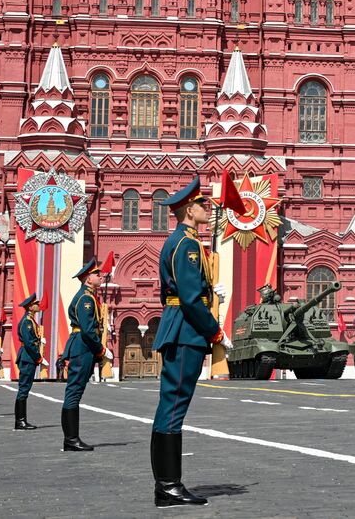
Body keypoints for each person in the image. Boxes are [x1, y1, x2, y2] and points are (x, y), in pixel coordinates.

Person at [150, 178, 232, 508]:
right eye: (203, 206)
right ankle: (168, 486)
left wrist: (209, 292)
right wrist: (214, 331)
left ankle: (167, 485)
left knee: (171, 407)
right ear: (188, 210)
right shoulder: (186, 245)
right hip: (186, 331)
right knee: (173, 408)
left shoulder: (183, 242)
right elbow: (187, 297)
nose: (208, 211)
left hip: (181, 327)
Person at [60, 258, 107, 451]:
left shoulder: (88, 296)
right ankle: (71, 440)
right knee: (74, 392)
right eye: (97, 274)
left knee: (75, 391)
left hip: (82, 345)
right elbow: (88, 330)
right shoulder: (86, 299)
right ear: (88, 278)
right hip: (83, 346)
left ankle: (71, 438)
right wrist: (99, 349)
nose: (100, 276)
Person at [14, 294, 43, 430]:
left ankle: (21, 420)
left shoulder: (30, 320)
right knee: (24, 389)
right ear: (30, 307)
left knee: (25, 388)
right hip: (27, 357)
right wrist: (38, 356)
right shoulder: (27, 321)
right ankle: (20, 421)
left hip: (28, 356)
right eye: (36, 303)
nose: (38, 305)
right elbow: (29, 342)